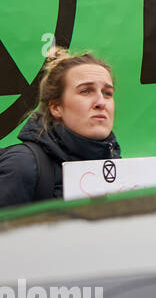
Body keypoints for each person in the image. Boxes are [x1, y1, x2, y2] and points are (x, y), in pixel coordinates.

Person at [0, 49, 121, 208]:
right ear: (56, 107)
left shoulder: (117, 166)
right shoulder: (23, 165)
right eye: (85, 91)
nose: (101, 102)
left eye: (107, 93)